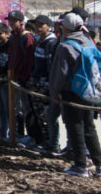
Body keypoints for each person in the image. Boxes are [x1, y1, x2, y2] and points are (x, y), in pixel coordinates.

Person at [49, 12, 101, 178]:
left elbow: (60, 73)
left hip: (71, 92)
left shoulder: (65, 46)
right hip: (88, 91)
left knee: (74, 127)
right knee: (89, 127)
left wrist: (54, 93)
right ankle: (99, 164)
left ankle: (80, 165)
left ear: (66, 27)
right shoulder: (88, 42)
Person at [28, 15, 59, 151]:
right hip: (35, 82)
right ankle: (43, 140)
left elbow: (51, 66)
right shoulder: (40, 41)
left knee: (46, 115)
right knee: (39, 114)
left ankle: (52, 142)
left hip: (44, 84)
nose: (38, 27)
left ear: (48, 26)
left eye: (41, 25)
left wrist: (47, 84)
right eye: (36, 24)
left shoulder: (51, 43)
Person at [7, 10, 35, 141]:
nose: (11, 23)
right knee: (16, 107)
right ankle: (17, 132)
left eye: (14, 21)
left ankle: (30, 135)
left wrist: (24, 76)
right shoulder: (12, 37)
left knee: (26, 107)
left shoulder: (26, 36)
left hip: (23, 78)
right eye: (10, 20)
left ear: (21, 21)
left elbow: (29, 59)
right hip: (13, 76)